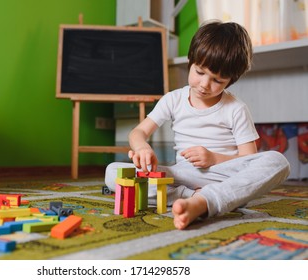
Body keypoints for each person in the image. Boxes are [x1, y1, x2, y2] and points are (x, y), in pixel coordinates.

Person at [105, 20, 290, 230]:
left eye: (217, 80)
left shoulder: (236, 108)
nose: (204, 85)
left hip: (225, 178)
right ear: (190, 61)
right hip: (183, 177)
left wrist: (214, 158)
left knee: (278, 160)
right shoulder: (173, 99)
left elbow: (248, 159)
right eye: (200, 72)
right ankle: (193, 199)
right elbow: (137, 132)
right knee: (113, 172)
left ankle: (207, 200)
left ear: (231, 80)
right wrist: (142, 148)